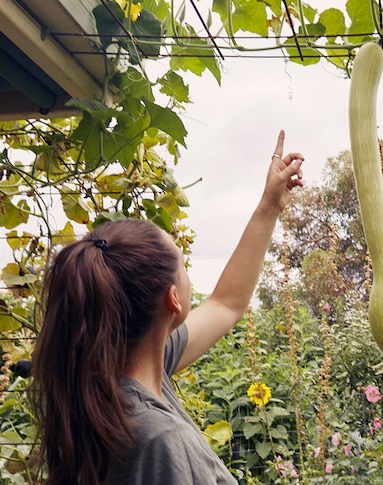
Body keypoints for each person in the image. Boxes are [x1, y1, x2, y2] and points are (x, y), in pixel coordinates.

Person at [30, 131, 305, 484]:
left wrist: (269, 206)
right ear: (172, 299)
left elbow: (227, 303)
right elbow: (225, 304)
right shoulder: (159, 440)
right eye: (183, 264)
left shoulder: (110, 384)